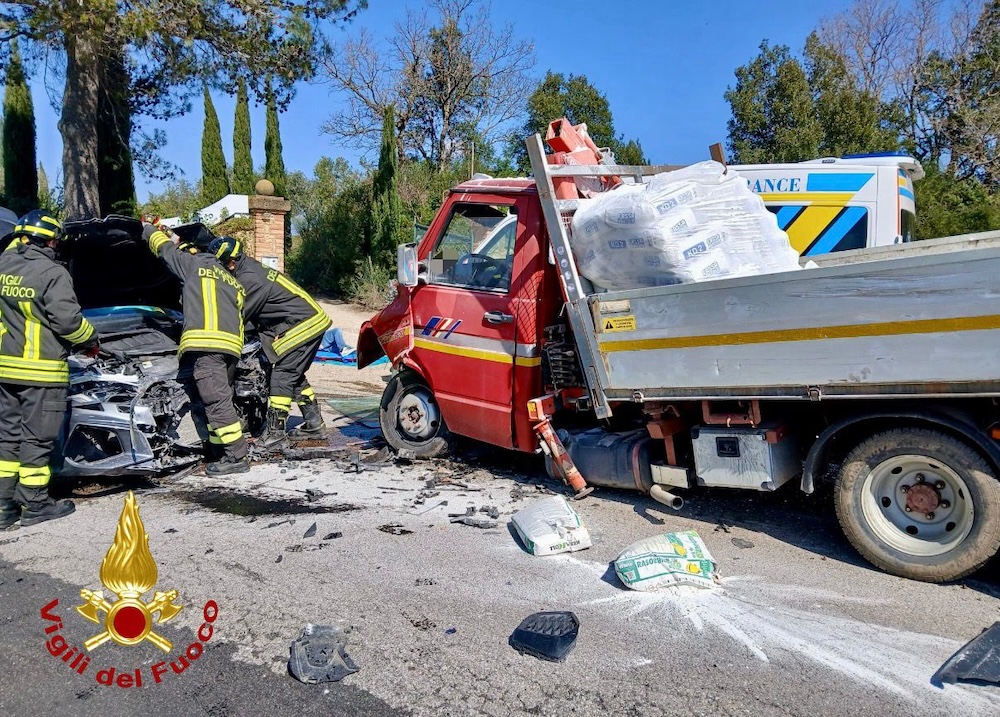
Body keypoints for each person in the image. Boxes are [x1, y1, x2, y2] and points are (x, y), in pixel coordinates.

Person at [0, 211, 99, 528]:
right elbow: (69, 323)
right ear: (51, 241)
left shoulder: (3, 265)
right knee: (37, 439)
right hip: (41, 372)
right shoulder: (52, 272)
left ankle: (3, 507)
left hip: (5, 369)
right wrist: (91, 340)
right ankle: (35, 504)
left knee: (7, 437)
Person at [141, 222, 250, 475]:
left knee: (216, 402)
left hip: (207, 346)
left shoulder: (194, 265)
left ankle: (237, 456)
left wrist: (147, 229)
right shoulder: (234, 283)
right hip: (231, 349)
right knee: (216, 400)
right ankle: (216, 449)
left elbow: (165, 249)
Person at [208, 236, 331, 448]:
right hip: (307, 320)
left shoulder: (249, 279)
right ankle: (314, 424)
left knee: (282, 376)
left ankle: (275, 433)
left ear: (231, 263)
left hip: (304, 323)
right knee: (293, 375)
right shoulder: (247, 268)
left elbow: (239, 315)